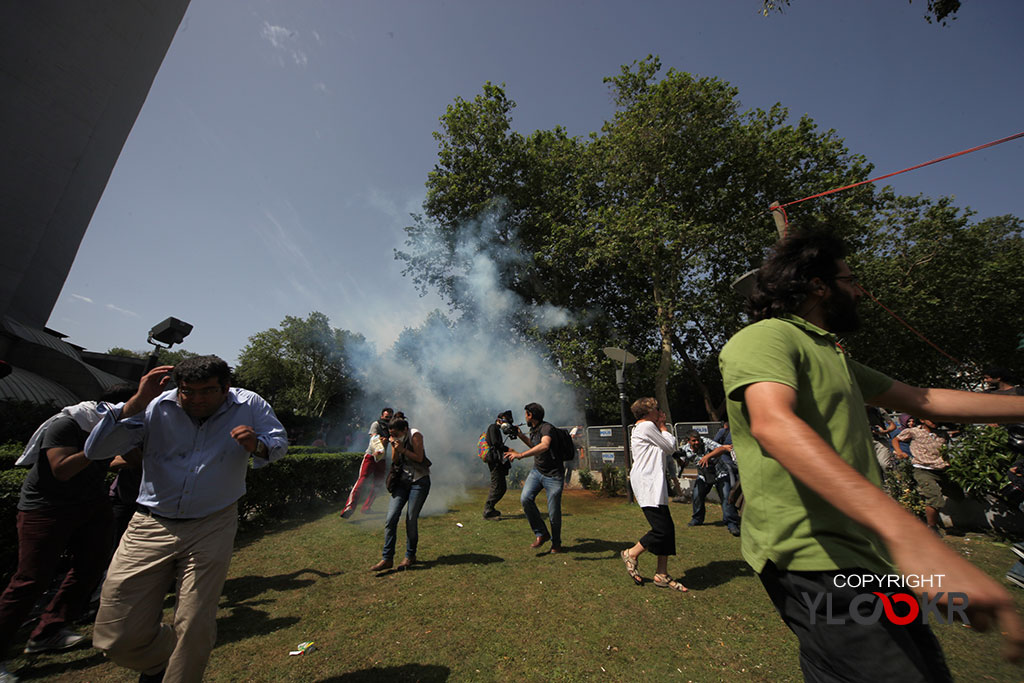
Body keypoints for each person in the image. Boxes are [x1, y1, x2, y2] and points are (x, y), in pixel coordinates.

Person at [719, 230, 1024, 681]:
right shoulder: (766, 338)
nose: (861, 290)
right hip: (816, 561)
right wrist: (914, 539)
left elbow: (923, 400)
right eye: (851, 278)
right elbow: (773, 425)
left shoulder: (830, 351)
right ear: (819, 286)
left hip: (863, 558)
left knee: (920, 667)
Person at [85, 356, 287, 683]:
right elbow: (96, 450)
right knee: (115, 634)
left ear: (226, 388)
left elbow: (278, 443)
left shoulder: (249, 403)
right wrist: (136, 402)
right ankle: (162, 657)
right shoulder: (155, 406)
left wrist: (257, 446)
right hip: (150, 523)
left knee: (194, 622)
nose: (196, 399)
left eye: (207, 391)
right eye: (187, 391)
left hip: (213, 524)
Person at [0, 385, 136, 679]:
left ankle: (50, 630)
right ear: (110, 410)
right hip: (47, 507)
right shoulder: (68, 424)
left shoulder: (123, 428)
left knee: (93, 565)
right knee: (31, 579)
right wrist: (97, 445)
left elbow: (123, 459)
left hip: (91, 503)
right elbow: (61, 469)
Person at [620, 398, 686, 591]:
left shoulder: (647, 427)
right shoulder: (646, 426)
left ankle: (661, 574)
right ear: (648, 412)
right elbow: (670, 447)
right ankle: (631, 554)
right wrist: (664, 426)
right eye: (657, 409)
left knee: (667, 529)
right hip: (647, 483)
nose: (660, 412)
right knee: (661, 530)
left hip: (655, 483)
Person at [372, 416, 431, 571]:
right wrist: (393, 448)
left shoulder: (415, 434)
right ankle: (387, 558)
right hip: (402, 482)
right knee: (391, 518)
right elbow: (396, 462)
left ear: (404, 429)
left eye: (397, 434)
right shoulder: (395, 440)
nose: (395, 436)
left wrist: (403, 449)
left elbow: (419, 458)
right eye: (393, 434)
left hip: (419, 481)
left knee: (411, 518)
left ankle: (410, 556)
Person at [506, 402, 564, 553]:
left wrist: (520, 455)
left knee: (553, 513)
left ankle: (556, 543)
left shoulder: (547, 428)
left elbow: (544, 446)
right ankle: (542, 533)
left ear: (530, 415)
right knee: (525, 499)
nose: (524, 416)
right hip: (537, 472)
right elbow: (534, 446)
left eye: (526, 413)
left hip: (553, 476)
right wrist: (520, 435)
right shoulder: (534, 429)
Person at [894, 418, 955, 535]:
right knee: (934, 497)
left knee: (956, 494)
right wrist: (900, 452)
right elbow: (896, 440)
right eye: (930, 419)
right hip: (923, 468)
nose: (934, 421)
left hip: (941, 469)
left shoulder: (942, 434)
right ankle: (932, 527)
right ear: (922, 420)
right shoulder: (914, 432)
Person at [681, 431, 741, 536]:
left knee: (726, 497)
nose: (696, 442)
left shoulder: (705, 441)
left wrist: (707, 456)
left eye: (697, 440)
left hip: (720, 472)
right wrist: (677, 458)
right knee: (697, 495)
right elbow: (684, 463)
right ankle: (697, 519)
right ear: (688, 441)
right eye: (693, 441)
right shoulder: (685, 449)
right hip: (704, 475)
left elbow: (721, 448)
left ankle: (731, 523)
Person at [340, 407, 393, 518]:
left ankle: (367, 507)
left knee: (378, 483)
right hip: (371, 456)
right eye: (386, 417)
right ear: (382, 416)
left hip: (382, 459)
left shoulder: (391, 427)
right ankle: (349, 507)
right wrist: (381, 444)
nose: (388, 419)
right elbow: (373, 438)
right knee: (362, 480)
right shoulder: (376, 424)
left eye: (390, 417)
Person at [482, 411, 513, 519]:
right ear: (499, 420)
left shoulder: (496, 429)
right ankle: (488, 510)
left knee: (502, 487)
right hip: (494, 462)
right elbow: (495, 443)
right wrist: (508, 449)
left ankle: (490, 508)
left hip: (497, 461)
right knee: (496, 486)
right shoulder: (493, 427)